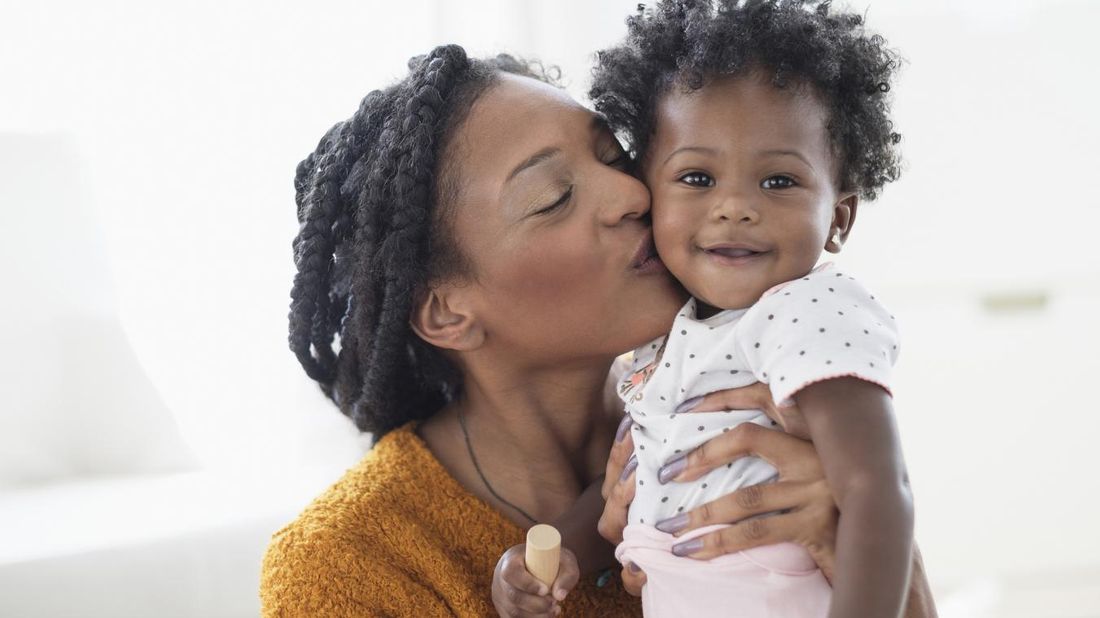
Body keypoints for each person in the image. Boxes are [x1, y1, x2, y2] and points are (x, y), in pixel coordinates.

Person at [261, 42, 937, 617]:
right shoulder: (345, 565)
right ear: (446, 312)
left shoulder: (762, 412)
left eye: (615, 156)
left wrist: (862, 549)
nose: (635, 195)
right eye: (554, 198)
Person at [570, 2, 910, 616]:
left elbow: (876, 491)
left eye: (778, 181)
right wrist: (553, 558)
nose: (734, 207)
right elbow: (636, 476)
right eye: (697, 178)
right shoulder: (664, 332)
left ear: (838, 219)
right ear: (649, 196)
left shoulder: (807, 309)